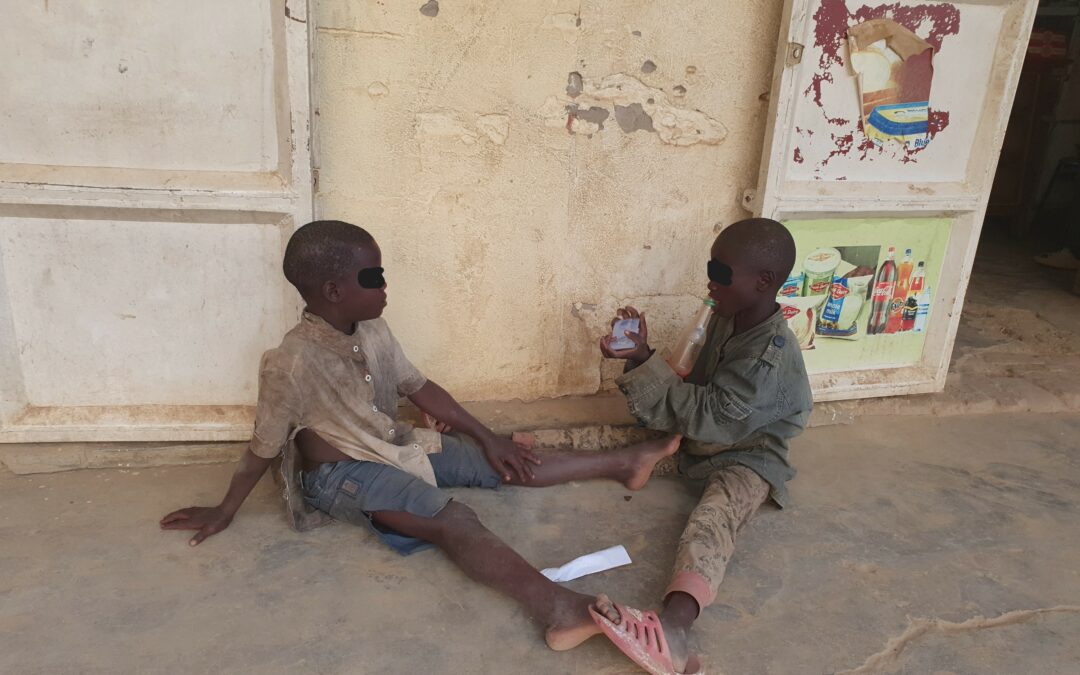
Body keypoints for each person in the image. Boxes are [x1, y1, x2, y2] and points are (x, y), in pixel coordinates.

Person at [159, 219, 680, 653]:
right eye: (374, 277)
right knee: (452, 520)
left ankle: (623, 463)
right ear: (334, 292)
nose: (385, 286)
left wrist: (488, 437)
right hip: (343, 475)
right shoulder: (291, 361)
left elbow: (419, 387)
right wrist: (225, 509)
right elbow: (264, 446)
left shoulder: (373, 328)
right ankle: (558, 608)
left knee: (501, 460)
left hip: (394, 443)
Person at [593, 218, 814, 674]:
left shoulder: (768, 355)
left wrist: (644, 361)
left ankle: (674, 629)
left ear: (764, 281)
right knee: (608, 437)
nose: (710, 281)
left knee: (713, 519)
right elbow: (692, 385)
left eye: (721, 272)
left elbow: (709, 416)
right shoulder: (725, 317)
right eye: (711, 268)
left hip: (749, 455)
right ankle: (522, 451)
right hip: (701, 436)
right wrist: (642, 354)